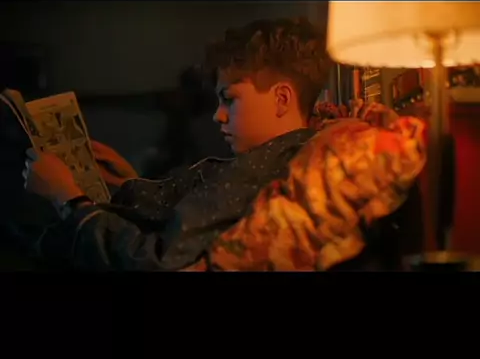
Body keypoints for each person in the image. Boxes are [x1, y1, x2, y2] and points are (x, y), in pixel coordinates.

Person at [20, 18, 331, 271]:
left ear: (281, 99)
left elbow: (153, 259)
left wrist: (68, 198)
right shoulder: (279, 158)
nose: (218, 115)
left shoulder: (257, 173)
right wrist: (130, 182)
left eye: (229, 99)